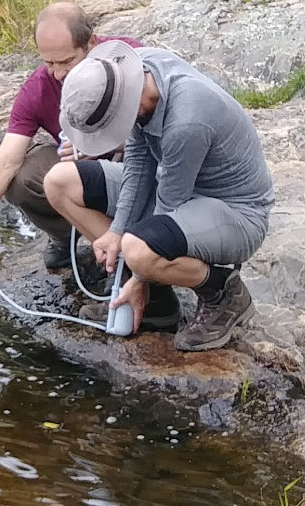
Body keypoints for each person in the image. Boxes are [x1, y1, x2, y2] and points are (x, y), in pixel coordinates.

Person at [44, 40, 274, 351]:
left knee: (140, 248)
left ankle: (222, 292)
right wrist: (115, 231)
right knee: (60, 183)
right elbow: (139, 161)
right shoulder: (137, 71)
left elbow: (169, 206)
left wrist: (139, 276)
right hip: (180, 192)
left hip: (235, 213)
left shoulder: (187, 121)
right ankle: (157, 302)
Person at [0, 2, 141, 269]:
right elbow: (4, 161)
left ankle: (132, 260)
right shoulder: (38, 89)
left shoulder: (130, 60)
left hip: (135, 166)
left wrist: (106, 143)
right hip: (79, 174)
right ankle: (66, 236)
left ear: (91, 43)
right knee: (21, 179)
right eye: (49, 63)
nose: (58, 74)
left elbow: (164, 131)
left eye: (67, 61)